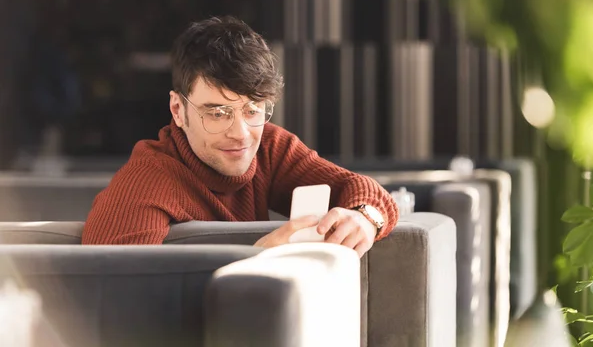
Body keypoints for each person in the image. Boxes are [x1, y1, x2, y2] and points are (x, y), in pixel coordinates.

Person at [82, 16, 399, 257]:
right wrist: (258, 258)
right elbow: (109, 305)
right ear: (178, 110)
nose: (241, 134)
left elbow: (361, 189)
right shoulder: (144, 185)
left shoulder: (270, 148)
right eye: (217, 113)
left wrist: (365, 218)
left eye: (252, 110)